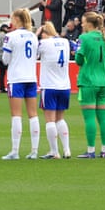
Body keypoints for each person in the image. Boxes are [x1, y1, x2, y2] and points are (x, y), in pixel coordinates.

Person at [0, 8, 40, 159]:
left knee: (16, 115)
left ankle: (15, 151)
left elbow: (5, 59)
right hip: (31, 77)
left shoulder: (10, 36)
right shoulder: (33, 36)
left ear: (17, 20)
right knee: (33, 115)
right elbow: (36, 56)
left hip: (16, 78)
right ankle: (34, 150)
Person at [73, 11, 105, 158]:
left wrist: (76, 52)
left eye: (83, 22)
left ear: (88, 23)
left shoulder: (84, 38)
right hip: (103, 81)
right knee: (103, 117)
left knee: (89, 117)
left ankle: (90, 150)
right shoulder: (104, 38)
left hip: (88, 81)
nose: (81, 24)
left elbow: (78, 61)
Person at [36, 22, 72, 159]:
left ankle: (54, 151)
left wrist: (36, 35)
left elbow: (33, 55)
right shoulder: (65, 42)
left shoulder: (44, 43)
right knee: (60, 119)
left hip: (49, 85)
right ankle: (67, 149)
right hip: (64, 85)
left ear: (44, 33)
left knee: (50, 120)